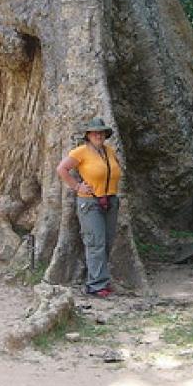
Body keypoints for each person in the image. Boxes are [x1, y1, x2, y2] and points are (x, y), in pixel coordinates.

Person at [56, 116, 122, 297]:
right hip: (90, 203)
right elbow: (61, 169)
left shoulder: (109, 151)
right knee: (95, 242)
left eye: (101, 132)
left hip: (110, 201)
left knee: (107, 242)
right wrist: (77, 186)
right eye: (94, 132)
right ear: (88, 135)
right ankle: (95, 285)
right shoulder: (80, 152)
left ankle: (102, 278)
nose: (98, 135)